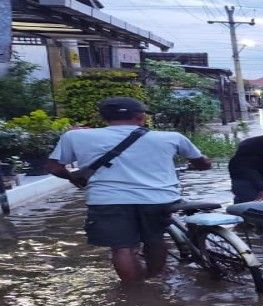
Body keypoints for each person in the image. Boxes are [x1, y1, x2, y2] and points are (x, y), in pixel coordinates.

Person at [45, 96, 212, 284]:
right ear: (141, 117)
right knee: (155, 239)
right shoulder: (171, 137)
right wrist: (204, 163)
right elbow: (203, 164)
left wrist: (75, 179)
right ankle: (156, 280)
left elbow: (54, 168)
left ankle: (136, 294)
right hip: (158, 199)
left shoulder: (75, 136)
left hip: (108, 200)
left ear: (104, 118)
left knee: (121, 248)